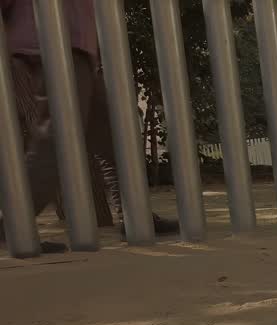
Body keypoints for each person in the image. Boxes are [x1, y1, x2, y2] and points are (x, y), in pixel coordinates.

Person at [0, 0, 176, 256]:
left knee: (116, 134)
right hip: (50, 42)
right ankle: (14, 225)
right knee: (57, 140)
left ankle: (136, 216)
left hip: (77, 45)